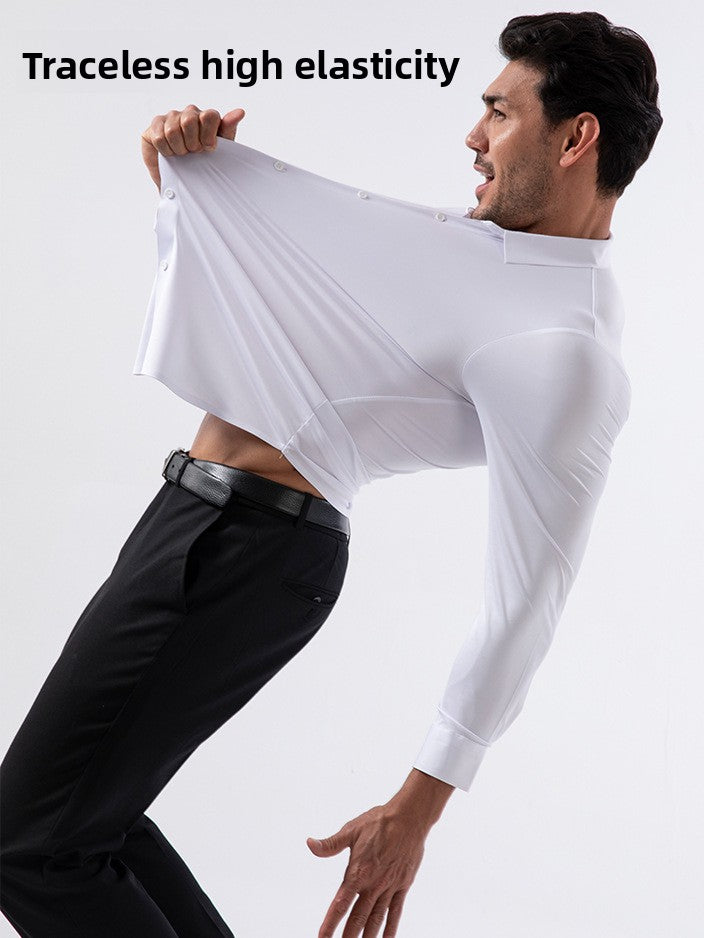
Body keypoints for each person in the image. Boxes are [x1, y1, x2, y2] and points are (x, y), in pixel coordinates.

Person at [0, 11, 662, 938]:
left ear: (577, 137)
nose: (473, 136)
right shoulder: (483, 246)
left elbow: (529, 602)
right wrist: (184, 169)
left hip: (246, 550)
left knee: (30, 843)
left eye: (500, 112)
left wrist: (417, 808)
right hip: (195, 522)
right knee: (74, 821)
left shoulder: (566, 344)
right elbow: (289, 299)